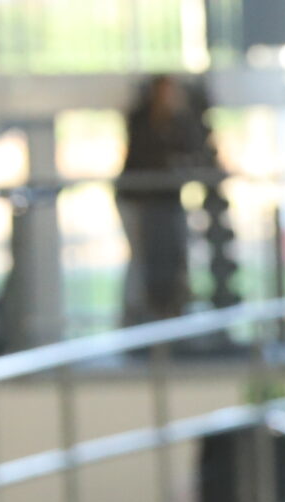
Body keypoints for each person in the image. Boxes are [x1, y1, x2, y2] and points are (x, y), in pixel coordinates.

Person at [115, 74, 208, 325]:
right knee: (141, 260)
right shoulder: (141, 120)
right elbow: (148, 157)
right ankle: (136, 316)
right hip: (140, 201)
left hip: (166, 203)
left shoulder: (179, 123)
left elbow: (192, 151)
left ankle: (170, 311)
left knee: (173, 257)